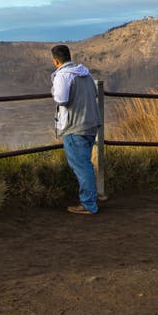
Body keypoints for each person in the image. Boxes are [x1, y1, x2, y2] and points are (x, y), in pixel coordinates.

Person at [50, 44, 102, 215]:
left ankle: (88, 204)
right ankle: (91, 198)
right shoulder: (85, 73)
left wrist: (53, 89)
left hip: (75, 126)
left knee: (81, 165)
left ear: (56, 60)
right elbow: (94, 93)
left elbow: (61, 99)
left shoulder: (63, 76)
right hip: (91, 123)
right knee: (85, 163)